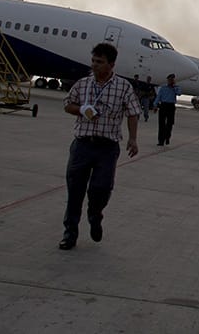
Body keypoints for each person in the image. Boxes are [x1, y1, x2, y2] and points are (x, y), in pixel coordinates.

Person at [59, 42, 140, 250]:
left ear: (111, 65)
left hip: (107, 147)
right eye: (93, 61)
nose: (95, 65)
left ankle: (95, 214)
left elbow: (133, 112)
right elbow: (68, 104)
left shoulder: (123, 87)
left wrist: (133, 138)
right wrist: (81, 109)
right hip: (83, 144)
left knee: (101, 188)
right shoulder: (83, 84)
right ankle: (70, 232)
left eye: (100, 62)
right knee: (75, 190)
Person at [153, 73, 181, 146]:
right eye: (169, 80)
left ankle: (167, 137)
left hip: (171, 106)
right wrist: (155, 105)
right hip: (163, 105)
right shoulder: (163, 88)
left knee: (170, 124)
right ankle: (161, 141)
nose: (170, 81)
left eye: (172, 79)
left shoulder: (176, 87)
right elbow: (158, 96)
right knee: (161, 124)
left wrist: (174, 86)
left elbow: (179, 93)